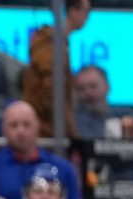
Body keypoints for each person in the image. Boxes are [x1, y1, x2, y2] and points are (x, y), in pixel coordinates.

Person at [22, 0, 91, 139]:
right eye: (86, 12)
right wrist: (72, 134)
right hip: (45, 130)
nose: (88, 18)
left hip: (54, 128)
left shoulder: (61, 43)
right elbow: (52, 92)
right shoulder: (48, 43)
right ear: (73, 12)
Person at [73, 65, 133, 140]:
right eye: (81, 88)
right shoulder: (74, 122)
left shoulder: (126, 114)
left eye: (93, 86)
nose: (88, 92)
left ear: (107, 86)